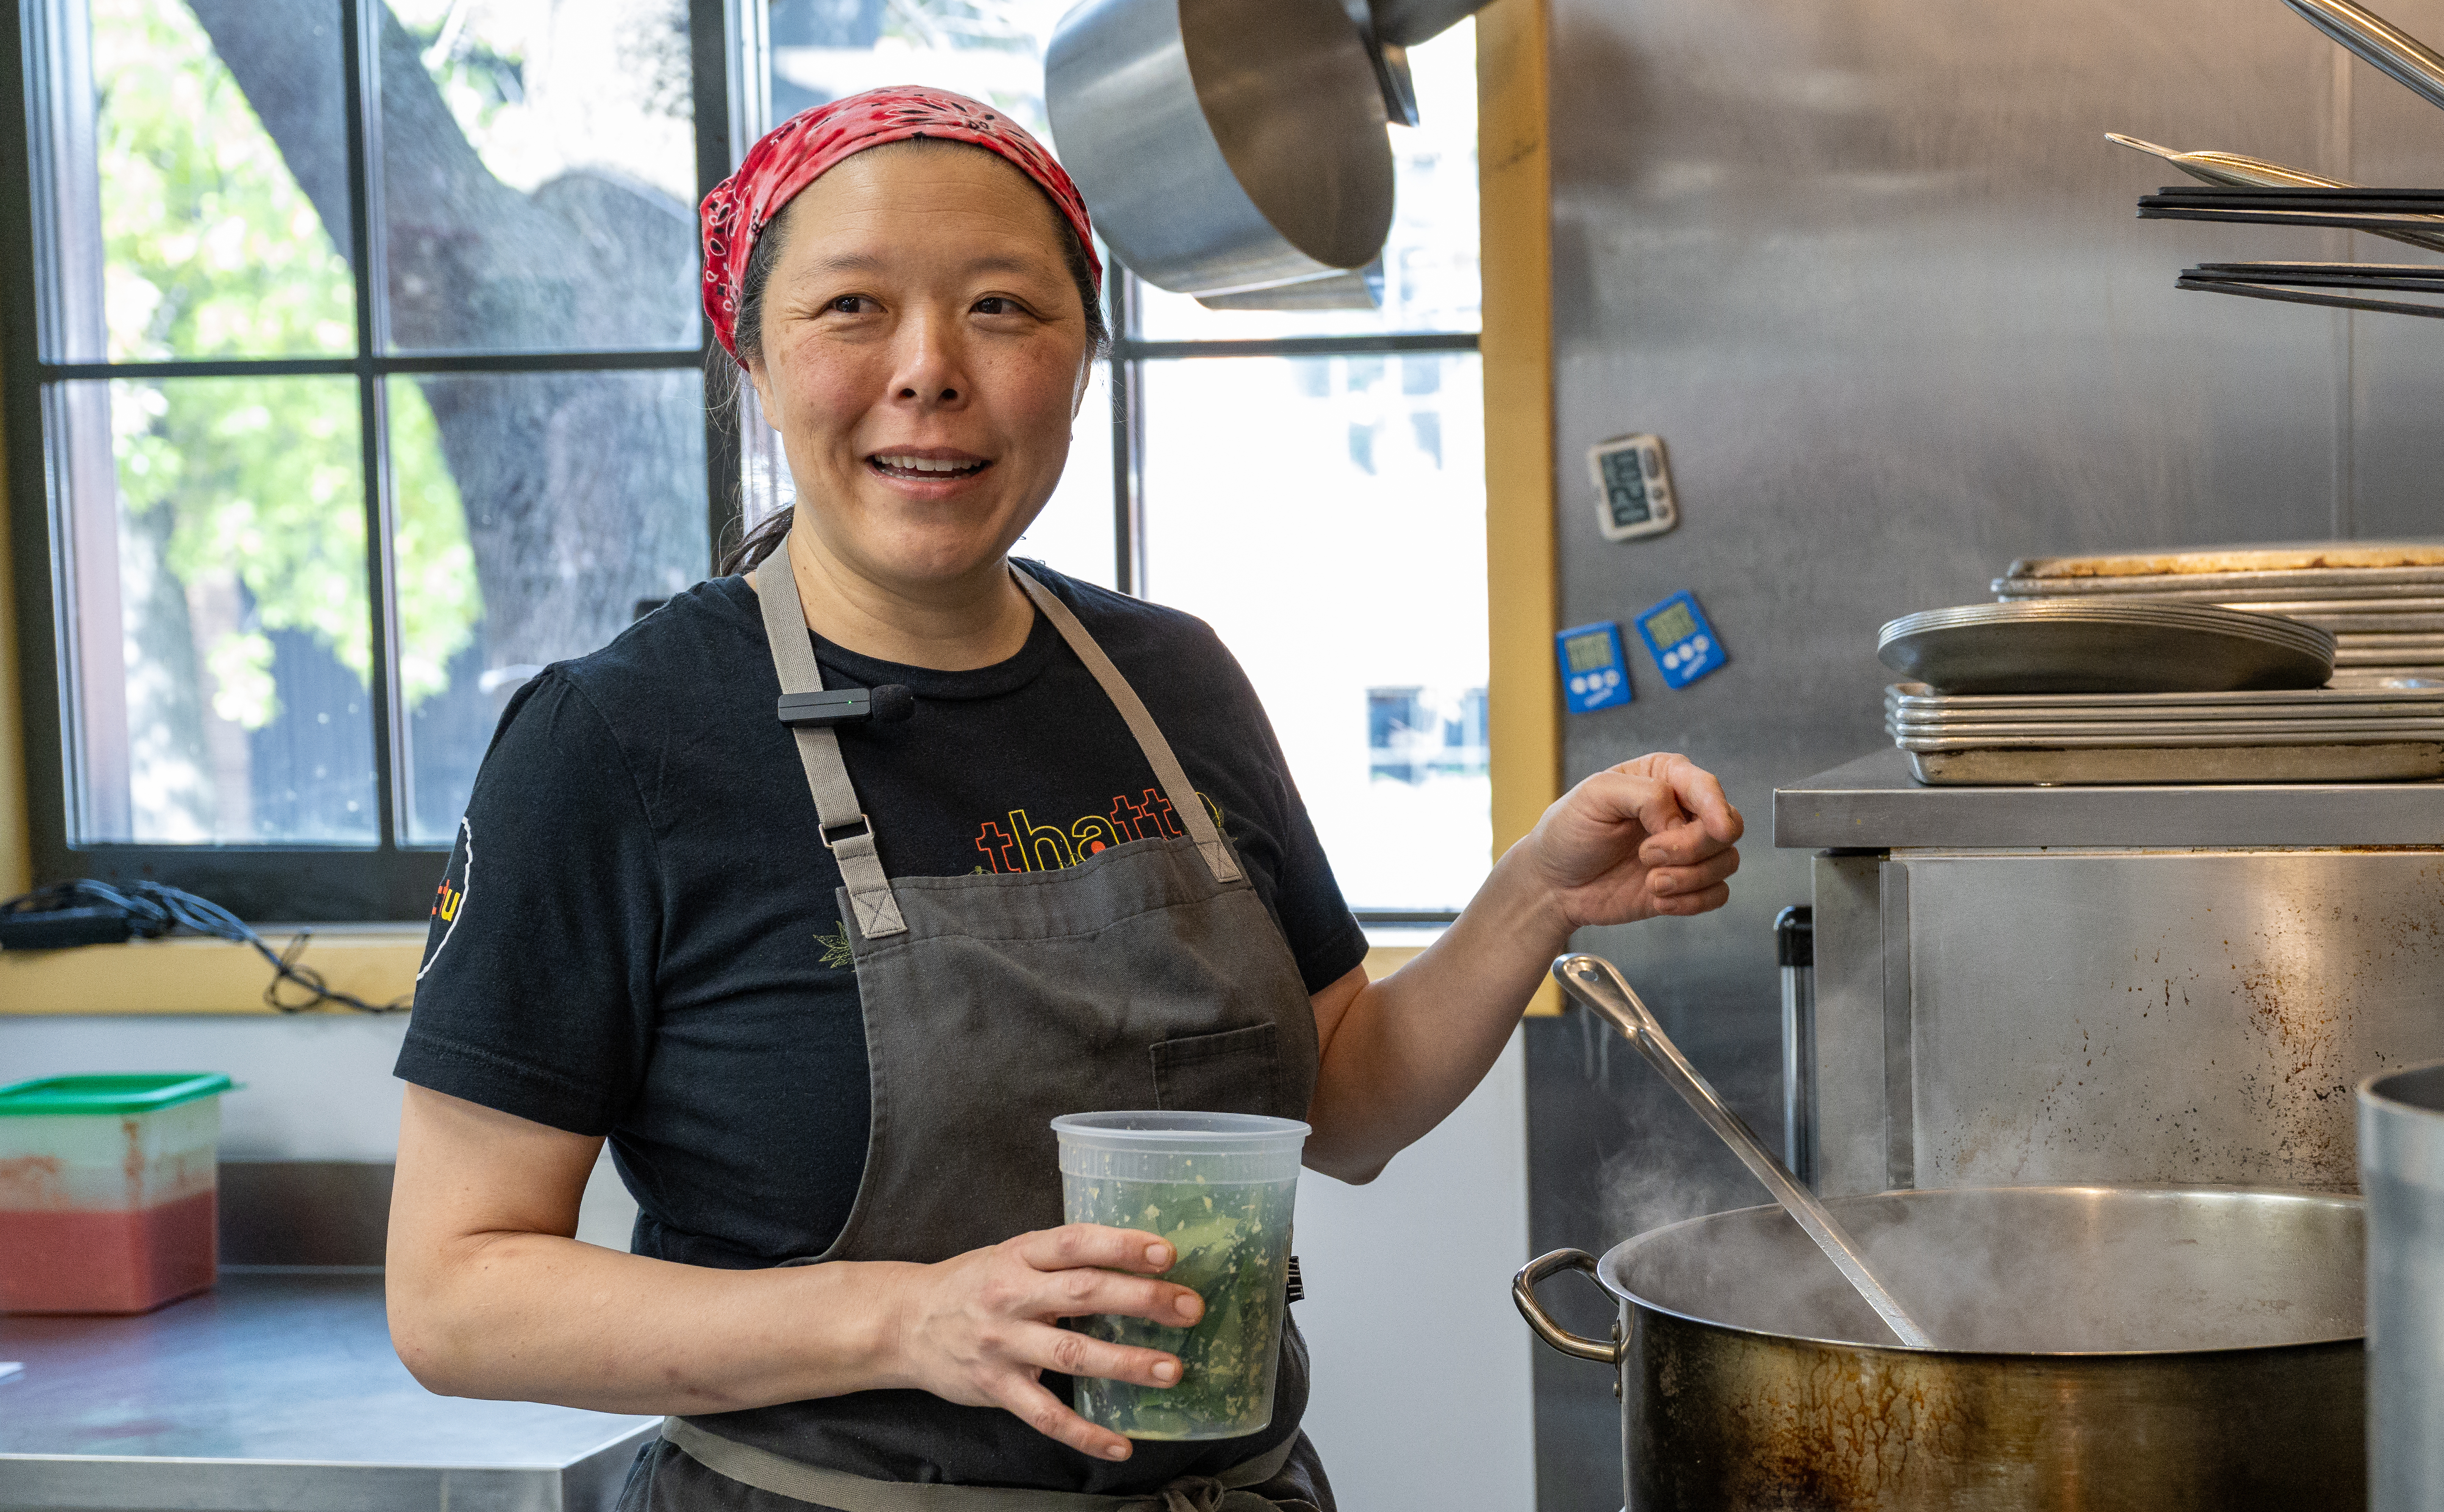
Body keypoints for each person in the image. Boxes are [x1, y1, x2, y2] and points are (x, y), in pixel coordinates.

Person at [381, 86, 1742, 1512]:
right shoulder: (617, 740)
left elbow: (1342, 1104)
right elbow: (456, 1291)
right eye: (852, 307)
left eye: (1003, 309)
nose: (929, 370)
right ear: (754, 360)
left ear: (1084, 363)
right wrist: (908, 1317)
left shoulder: (1173, 683)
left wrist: (1537, 893)